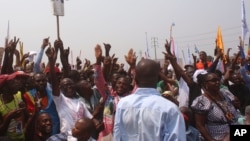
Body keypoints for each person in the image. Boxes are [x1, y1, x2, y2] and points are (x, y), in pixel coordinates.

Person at [114, 59, 186, 141]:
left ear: (135, 78)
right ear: (159, 77)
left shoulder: (122, 104)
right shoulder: (170, 109)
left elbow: (117, 137)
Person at [191, 72, 240, 141]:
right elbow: (200, 125)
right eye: (213, 80)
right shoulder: (202, 101)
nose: (217, 82)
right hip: (218, 136)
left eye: (218, 80)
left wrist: (236, 104)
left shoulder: (225, 93)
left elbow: (234, 110)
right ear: (205, 84)